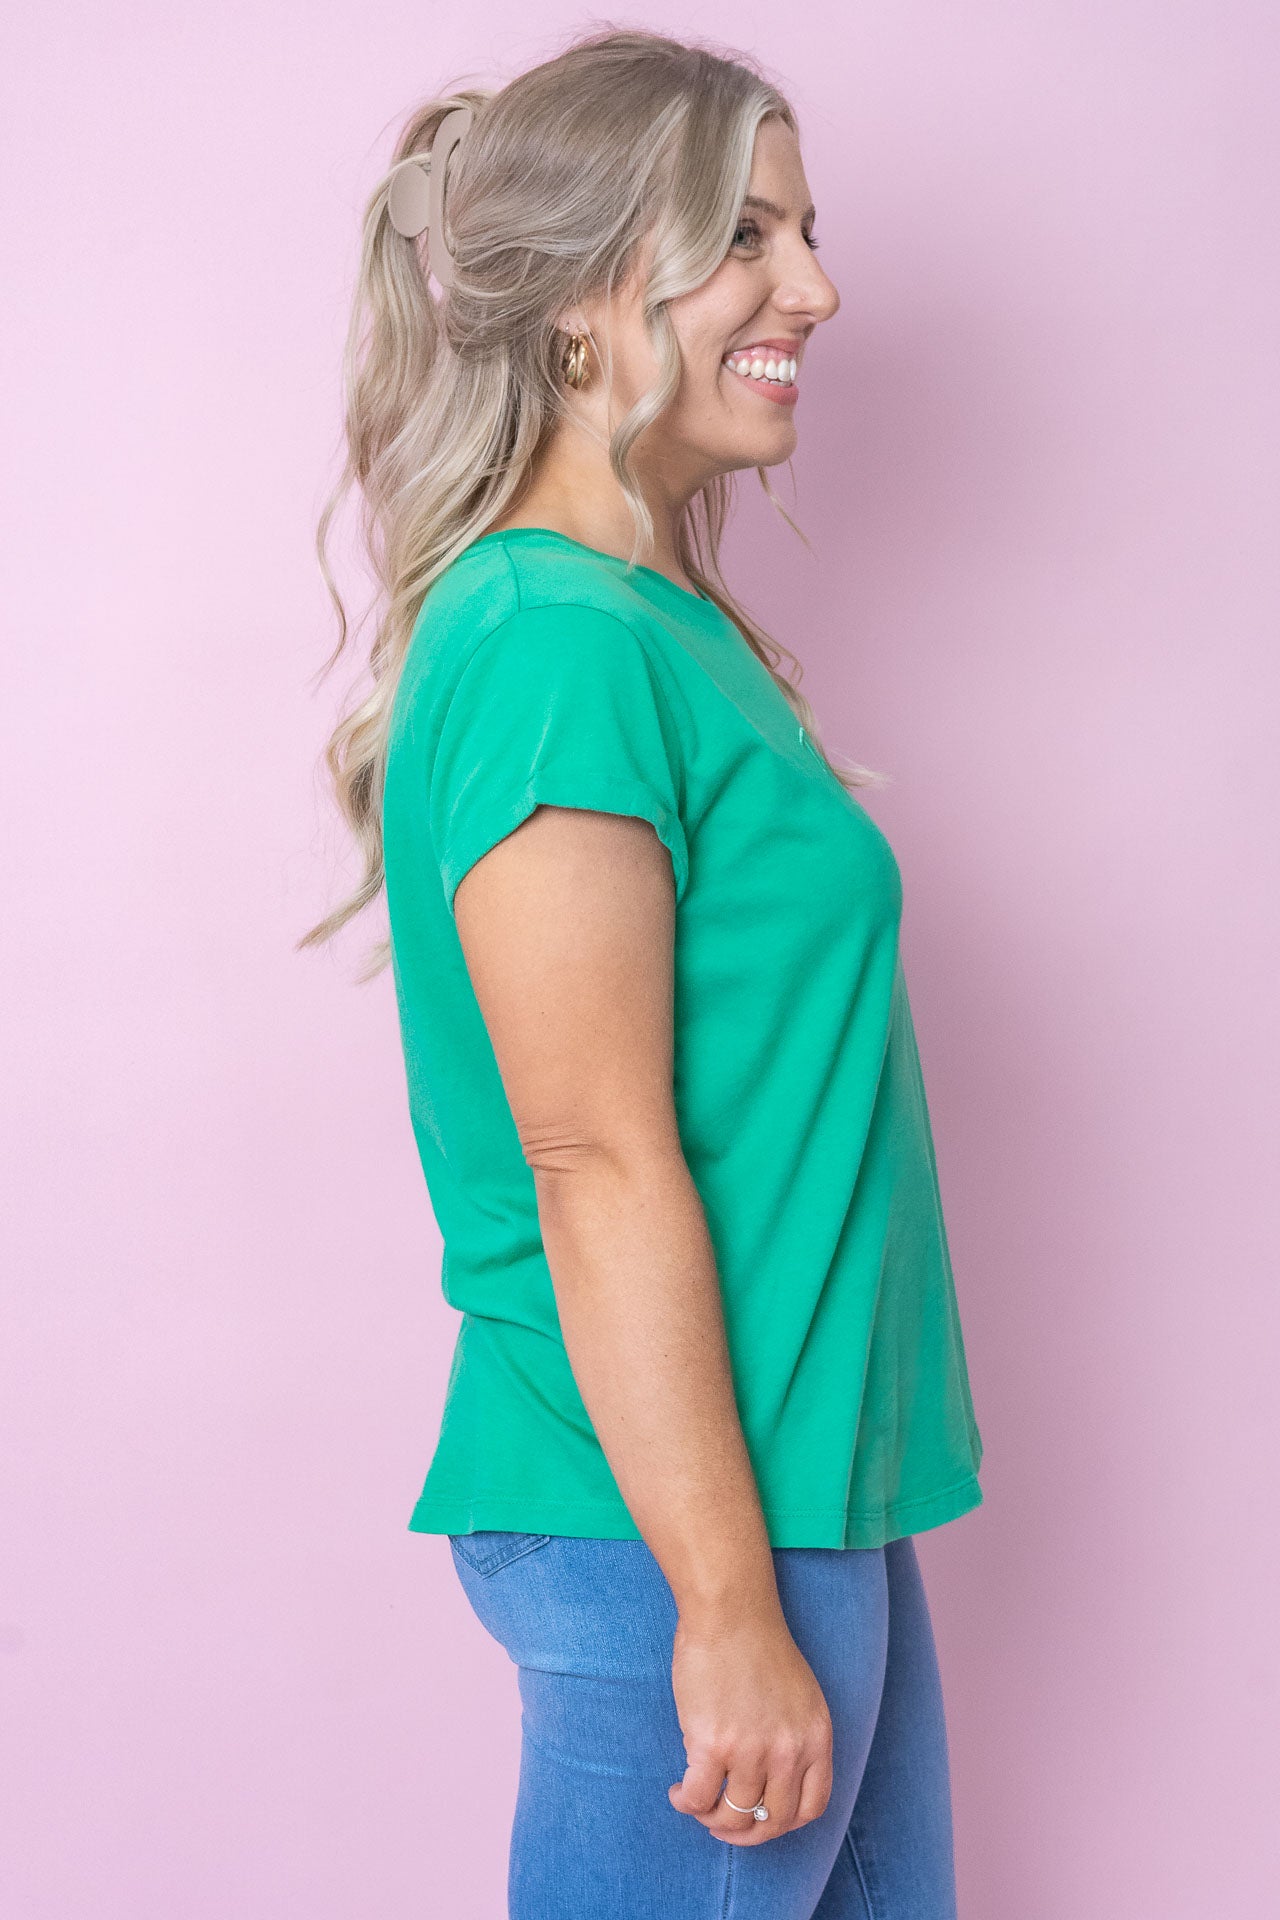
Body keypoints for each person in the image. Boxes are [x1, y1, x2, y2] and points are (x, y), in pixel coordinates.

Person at [301, 28, 985, 1920]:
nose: (813, 289)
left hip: (785, 1489)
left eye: (809, 232)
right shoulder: (551, 640)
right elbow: (591, 1153)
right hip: (674, 1522)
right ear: (586, 299)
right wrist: (724, 1603)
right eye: (745, 235)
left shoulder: (657, 624)